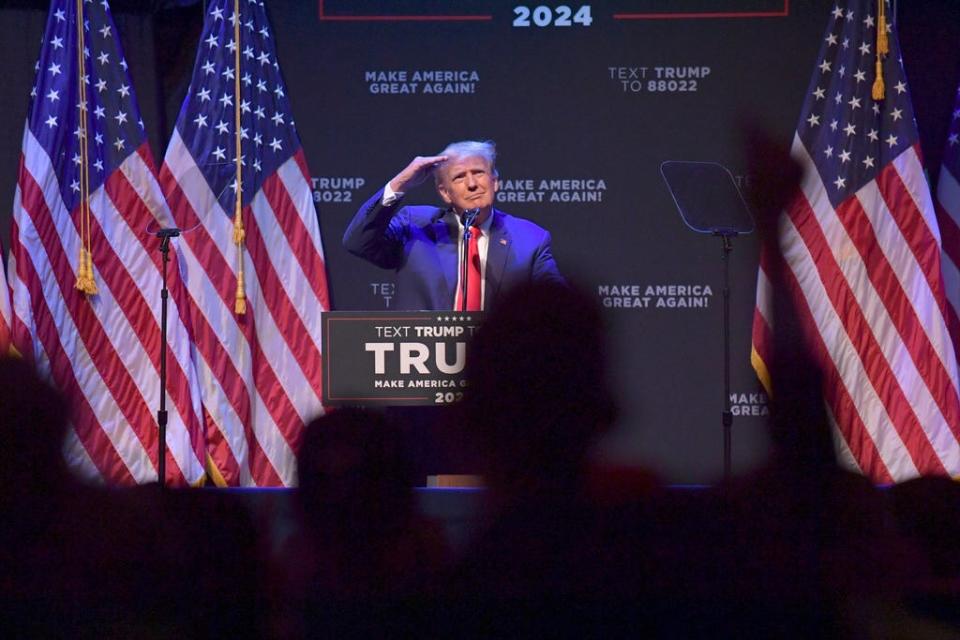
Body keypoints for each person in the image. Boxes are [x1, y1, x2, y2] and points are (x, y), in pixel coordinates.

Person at [343, 140, 563, 311]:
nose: (472, 184)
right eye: (459, 177)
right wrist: (400, 183)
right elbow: (357, 242)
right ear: (445, 192)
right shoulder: (416, 225)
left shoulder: (530, 238)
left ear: (495, 181)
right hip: (422, 360)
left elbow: (558, 304)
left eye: (478, 172)